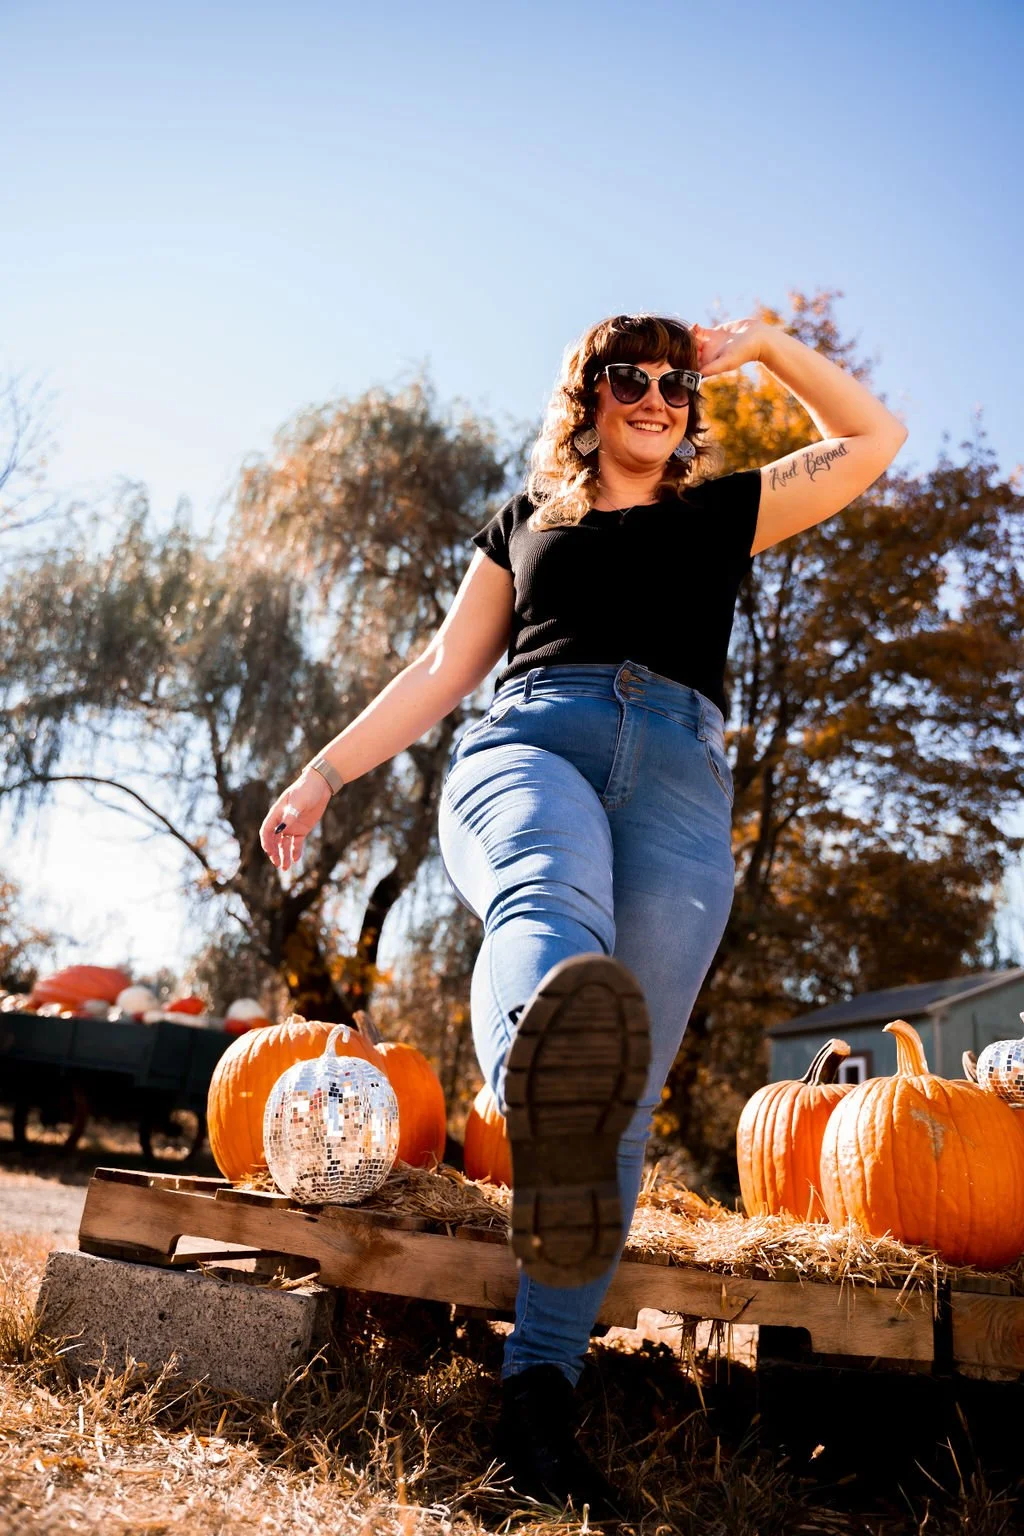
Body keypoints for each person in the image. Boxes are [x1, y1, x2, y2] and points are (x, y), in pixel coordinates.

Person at [260, 313, 907, 1520]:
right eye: (630, 377)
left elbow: (874, 434)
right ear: (589, 394)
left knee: (615, 1096)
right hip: (530, 742)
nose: (654, 397)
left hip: (675, 779)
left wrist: (764, 344)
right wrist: (322, 773)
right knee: (550, 895)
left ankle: (535, 1410)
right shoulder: (529, 522)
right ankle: (530, 1069)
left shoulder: (724, 513)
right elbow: (440, 673)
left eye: (673, 381)